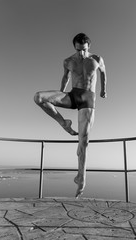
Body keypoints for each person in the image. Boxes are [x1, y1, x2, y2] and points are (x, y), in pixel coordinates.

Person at [34, 33, 107, 198]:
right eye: (79, 50)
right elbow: (65, 78)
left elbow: (103, 73)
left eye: (84, 50)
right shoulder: (68, 61)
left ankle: (81, 177)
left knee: (84, 140)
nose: (81, 53)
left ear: (89, 46)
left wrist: (104, 89)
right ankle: (63, 122)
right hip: (72, 95)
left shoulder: (97, 59)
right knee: (38, 97)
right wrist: (59, 95)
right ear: (74, 47)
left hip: (88, 99)